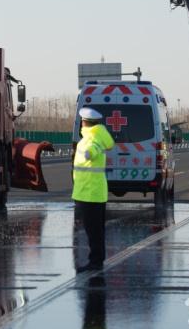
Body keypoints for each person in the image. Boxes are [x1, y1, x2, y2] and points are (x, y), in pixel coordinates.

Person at [72, 107, 115, 272]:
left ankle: (95, 261)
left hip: (90, 193)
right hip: (90, 192)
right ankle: (96, 260)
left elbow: (95, 148)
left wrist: (91, 152)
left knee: (93, 230)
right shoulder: (92, 137)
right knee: (95, 229)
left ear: (84, 122)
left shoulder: (92, 139)